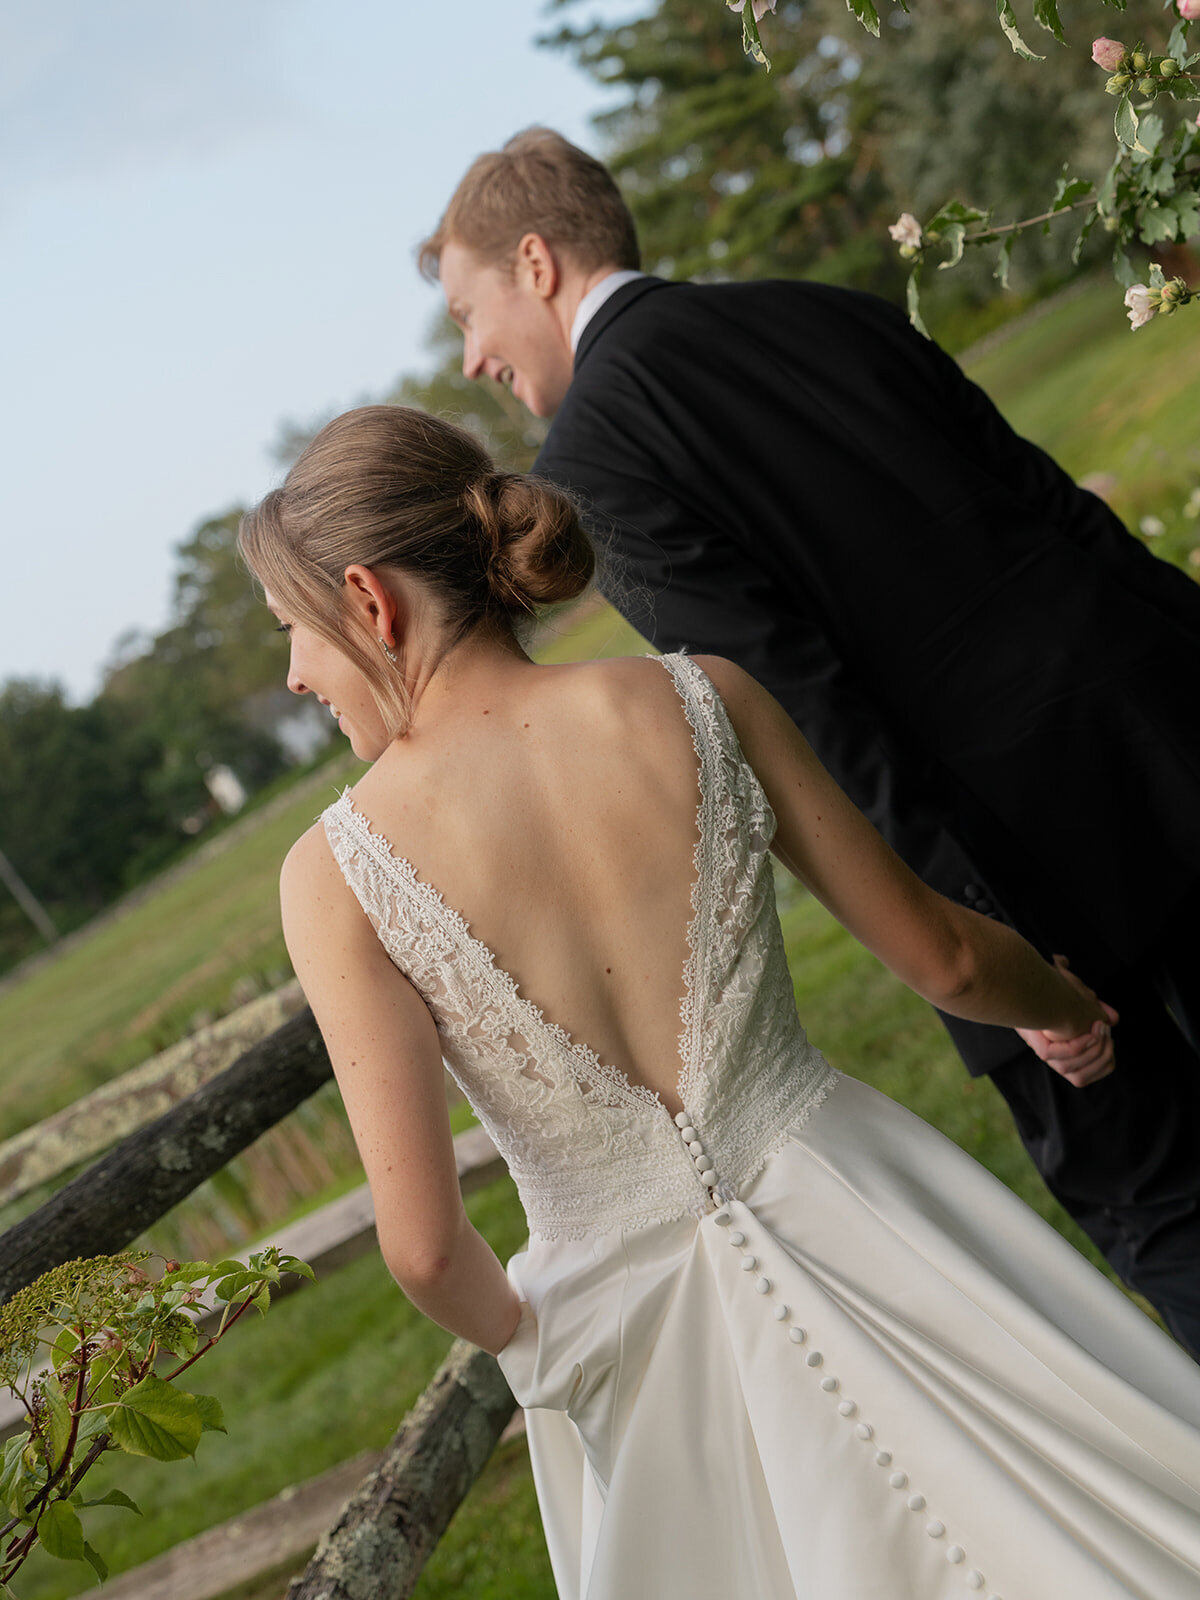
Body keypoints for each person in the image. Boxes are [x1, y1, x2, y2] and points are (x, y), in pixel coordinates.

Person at [241, 403, 1200, 1600]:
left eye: (294, 631)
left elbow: (428, 1249)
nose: (295, 672)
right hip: (867, 1213)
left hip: (643, 1355)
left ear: (370, 600)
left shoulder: (336, 875)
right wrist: (1064, 1003)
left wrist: (543, 1343)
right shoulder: (702, 696)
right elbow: (945, 958)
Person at [418, 127, 1200, 1359]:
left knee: (1174, 1213)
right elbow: (1053, 513)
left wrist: (991, 950)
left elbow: (805, 718)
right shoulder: (826, 312)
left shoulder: (597, 461)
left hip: (1027, 896)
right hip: (1173, 742)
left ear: (537, 262)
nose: (471, 354)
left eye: (469, 309)